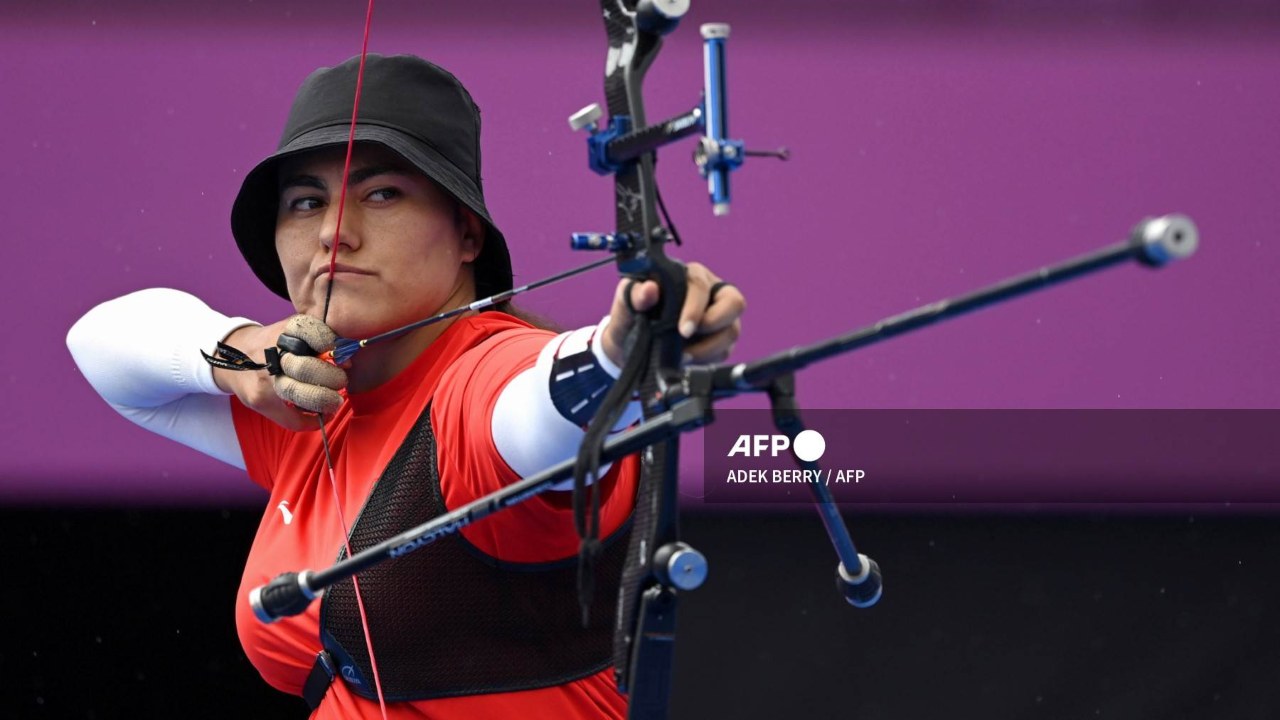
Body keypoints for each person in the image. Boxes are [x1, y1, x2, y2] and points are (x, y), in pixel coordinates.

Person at [66, 53, 743, 719]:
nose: (334, 232)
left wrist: (621, 349)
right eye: (306, 201)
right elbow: (98, 345)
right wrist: (239, 357)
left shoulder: (481, 380)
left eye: (382, 193)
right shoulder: (310, 405)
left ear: (467, 235)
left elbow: (539, 408)